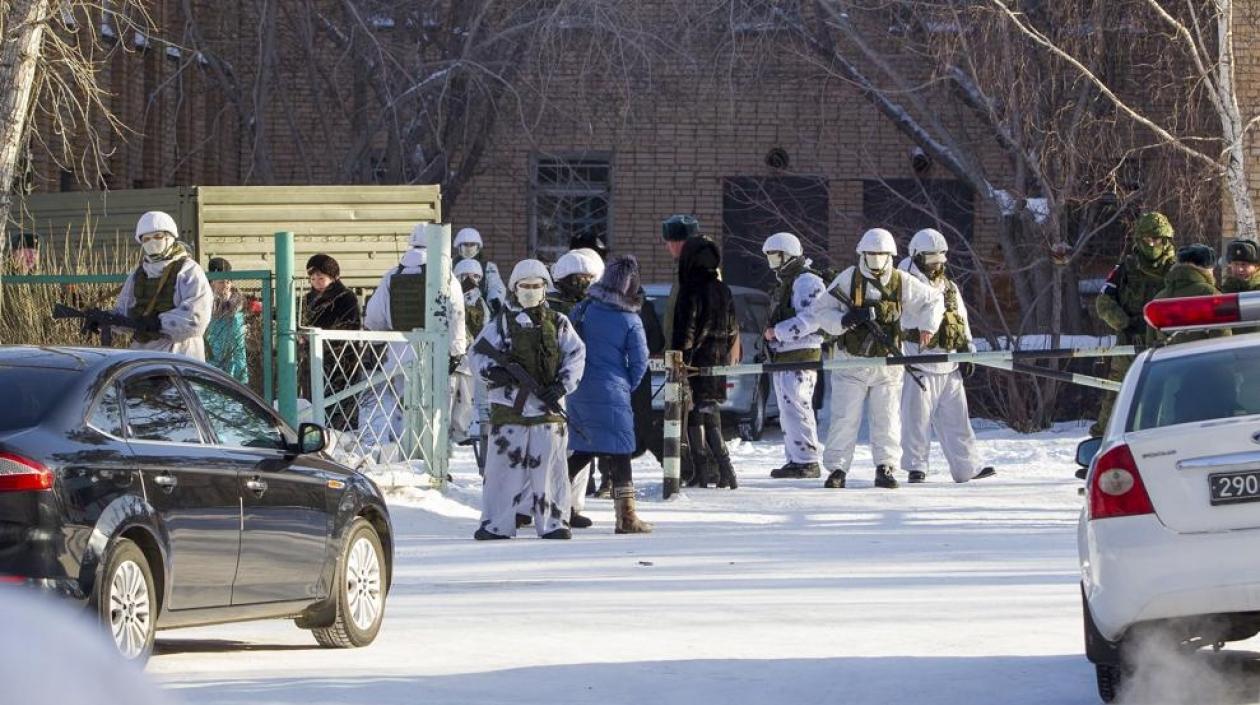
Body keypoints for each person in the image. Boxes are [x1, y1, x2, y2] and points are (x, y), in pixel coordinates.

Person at [803, 228, 944, 490]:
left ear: (889, 255)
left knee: (888, 418)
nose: (876, 259)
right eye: (871, 254)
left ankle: (886, 466)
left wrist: (927, 327)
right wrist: (844, 320)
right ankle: (837, 469)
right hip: (851, 362)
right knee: (844, 418)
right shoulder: (849, 279)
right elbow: (821, 310)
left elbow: (933, 300)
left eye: (881, 254)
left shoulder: (901, 281)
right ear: (863, 254)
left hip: (887, 365)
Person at [472, 259, 586, 540]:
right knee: (502, 472)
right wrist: (494, 372)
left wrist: (561, 386)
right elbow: (477, 355)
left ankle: (554, 522)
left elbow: (576, 355)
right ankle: (496, 524)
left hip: (548, 411)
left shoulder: (558, 322)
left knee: (551, 470)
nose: (532, 291)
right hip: (509, 409)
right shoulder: (500, 323)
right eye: (526, 286)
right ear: (514, 288)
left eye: (537, 286)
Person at [897, 229, 996, 484]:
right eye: (931, 260)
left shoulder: (948, 286)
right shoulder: (905, 283)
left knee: (957, 420)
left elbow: (961, 318)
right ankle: (916, 467)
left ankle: (967, 468)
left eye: (940, 259)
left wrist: (968, 350)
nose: (936, 265)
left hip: (949, 362)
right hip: (918, 362)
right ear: (917, 257)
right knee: (916, 420)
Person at [362, 223, 467, 456]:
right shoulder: (444, 274)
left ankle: (404, 456)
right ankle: (434, 458)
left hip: (399, 352)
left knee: (402, 407)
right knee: (434, 409)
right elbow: (456, 314)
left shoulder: (393, 274)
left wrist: (378, 346)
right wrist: (456, 351)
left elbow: (374, 318)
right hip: (434, 352)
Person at [566, 255, 652, 533]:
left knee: (581, 450)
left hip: (578, 389)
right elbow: (640, 362)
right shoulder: (630, 319)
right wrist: (625, 385)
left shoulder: (582, 309)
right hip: (613, 390)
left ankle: (555, 504)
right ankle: (626, 517)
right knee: (621, 452)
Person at [1092, 212, 1176, 436]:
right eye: (1146, 239)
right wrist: (1123, 323)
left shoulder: (1177, 271)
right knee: (1117, 395)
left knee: (1168, 397)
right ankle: (1101, 444)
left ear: (1166, 240)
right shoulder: (1125, 269)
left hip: (1165, 344)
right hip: (1128, 343)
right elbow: (1103, 301)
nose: (1151, 244)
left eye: (1156, 239)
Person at [673, 235, 739, 489]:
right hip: (717, 360)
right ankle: (725, 470)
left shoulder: (690, 288)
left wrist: (680, 359)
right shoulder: (723, 288)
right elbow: (733, 328)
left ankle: (706, 471)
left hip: (694, 363)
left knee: (695, 416)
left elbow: (685, 330)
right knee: (709, 413)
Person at [760, 232, 827, 481]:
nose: (771, 261)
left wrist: (777, 332)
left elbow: (813, 318)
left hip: (801, 355)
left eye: (774, 255)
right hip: (786, 355)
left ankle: (807, 460)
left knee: (798, 406)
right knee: (788, 409)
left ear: (787, 255)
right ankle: (796, 458)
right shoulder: (789, 281)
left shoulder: (807, 282)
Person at [113, 211, 212, 360]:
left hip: (181, 355)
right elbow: (124, 314)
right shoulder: (138, 275)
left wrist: (159, 323)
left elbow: (196, 318)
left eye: (158, 236)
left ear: (170, 237)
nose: (152, 242)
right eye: (146, 239)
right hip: (143, 357)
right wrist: (108, 320)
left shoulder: (188, 271)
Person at [301, 254, 362, 431]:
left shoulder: (346, 298)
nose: (316, 282)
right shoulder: (307, 300)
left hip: (340, 361)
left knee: (339, 406)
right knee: (313, 405)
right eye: (312, 278)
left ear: (333, 277)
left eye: (321, 278)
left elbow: (348, 328)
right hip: (312, 361)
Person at [1148, 244, 1230, 346]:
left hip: (1168, 360)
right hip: (1201, 359)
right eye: (1212, 269)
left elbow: (1150, 341)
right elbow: (1222, 337)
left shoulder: (1159, 298)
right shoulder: (1209, 294)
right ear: (1205, 269)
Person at [454, 258, 491, 450]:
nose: (471, 280)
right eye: (466, 277)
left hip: (469, 357)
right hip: (452, 355)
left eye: (475, 277)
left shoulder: (480, 302)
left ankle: (461, 432)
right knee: (447, 396)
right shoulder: (452, 296)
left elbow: (485, 326)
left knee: (466, 399)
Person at [205, 257, 249, 385]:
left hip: (235, 354)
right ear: (212, 282)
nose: (226, 285)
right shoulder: (207, 303)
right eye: (221, 282)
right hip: (214, 354)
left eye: (228, 282)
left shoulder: (238, 303)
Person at [453, 227, 507, 314]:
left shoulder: (488, 267)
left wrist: (495, 299)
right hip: (455, 307)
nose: (469, 248)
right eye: (466, 244)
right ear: (459, 246)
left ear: (478, 247)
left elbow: (495, 285)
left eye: (472, 244)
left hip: (481, 309)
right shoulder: (450, 265)